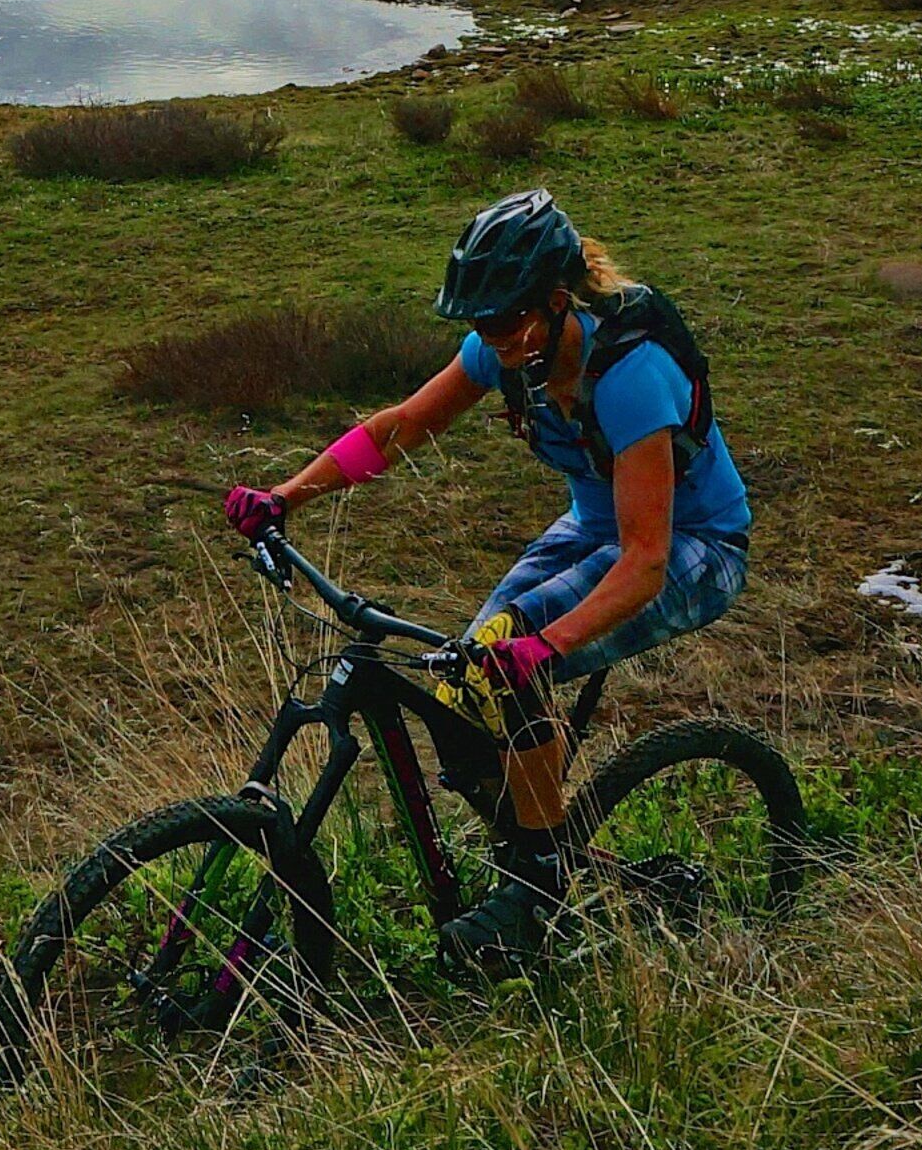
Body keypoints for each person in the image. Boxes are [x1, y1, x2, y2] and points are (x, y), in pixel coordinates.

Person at [221, 188, 751, 964]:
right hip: (596, 529)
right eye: (478, 326)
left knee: (511, 665)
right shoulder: (509, 347)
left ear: (557, 301)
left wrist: (546, 645)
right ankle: (539, 840)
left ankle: (535, 887)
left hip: (693, 546)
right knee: (460, 688)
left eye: (503, 324)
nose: (490, 341)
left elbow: (644, 561)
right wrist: (287, 494)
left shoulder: (632, 372)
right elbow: (402, 425)